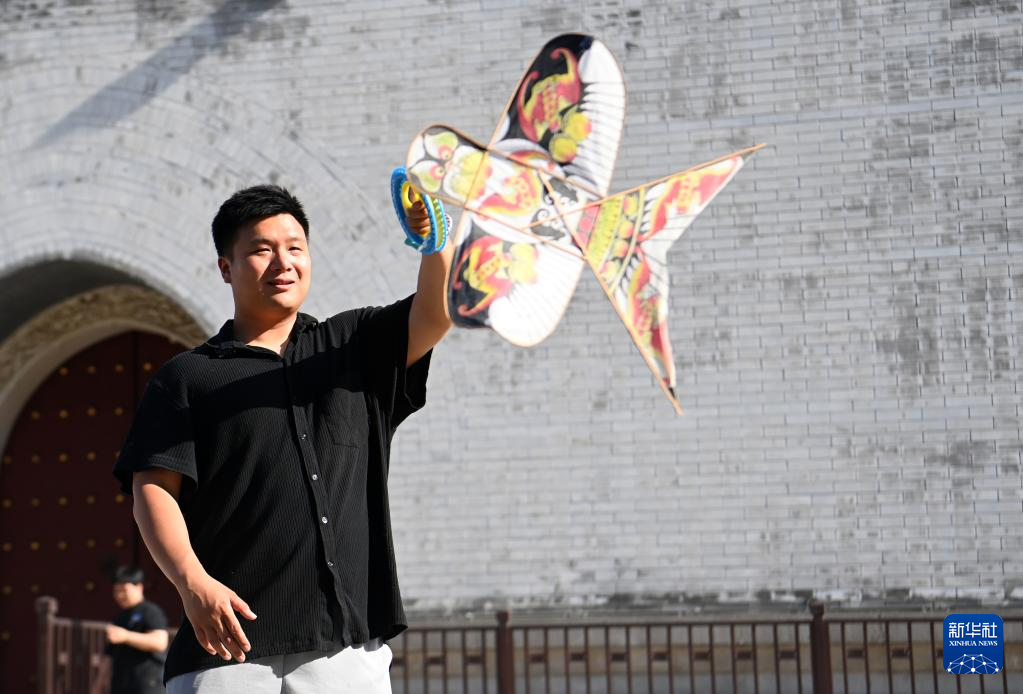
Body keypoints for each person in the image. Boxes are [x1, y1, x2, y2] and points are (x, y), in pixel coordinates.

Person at [113, 184, 453, 692]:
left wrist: (434, 242)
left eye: (295, 247)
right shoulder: (186, 377)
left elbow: (436, 311)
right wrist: (192, 582)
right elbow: (154, 489)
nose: (283, 262)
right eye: (262, 249)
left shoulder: (352, 347)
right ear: (226, 267)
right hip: (227, 652)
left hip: (346, 648)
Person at [105, 565, 170, 694]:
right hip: (121, 685)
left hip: (146, 684)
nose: (119, 595)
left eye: (124, 590)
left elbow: (160, 642)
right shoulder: (119, 618)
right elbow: (108, 657)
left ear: (139, 587)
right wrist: (98, 684)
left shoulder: (150, 611)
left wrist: (126, 636)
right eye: (116, 591)